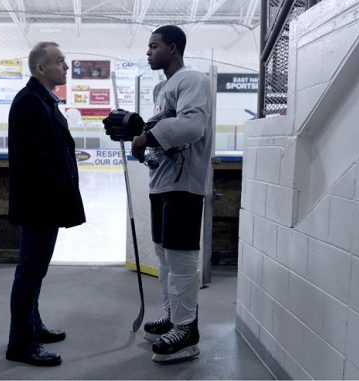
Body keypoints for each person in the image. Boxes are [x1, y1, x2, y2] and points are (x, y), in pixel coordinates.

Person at [130, 25, 213, 363]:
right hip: (162, 183)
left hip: (184, 186)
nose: (148, 52)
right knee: (163, 258)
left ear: (173, 48)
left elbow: (193, 127)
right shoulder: (163, 88)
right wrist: (138, 138)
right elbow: (161, 134)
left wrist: (146, 138)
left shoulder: (191, 80)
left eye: (154, 46)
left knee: (180, 261)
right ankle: (171, 316)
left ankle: (186, 329)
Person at [6, 41, 86, 367]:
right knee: (29, 271)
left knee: (36, 271)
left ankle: (32, 326)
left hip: (45, 203)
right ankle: (21, 343)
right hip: (38, 204)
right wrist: (59, 189)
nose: (65, 66)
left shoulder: (44, 100)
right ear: (41, 68)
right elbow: (34, 162)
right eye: (59, 61)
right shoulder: (29, 102)